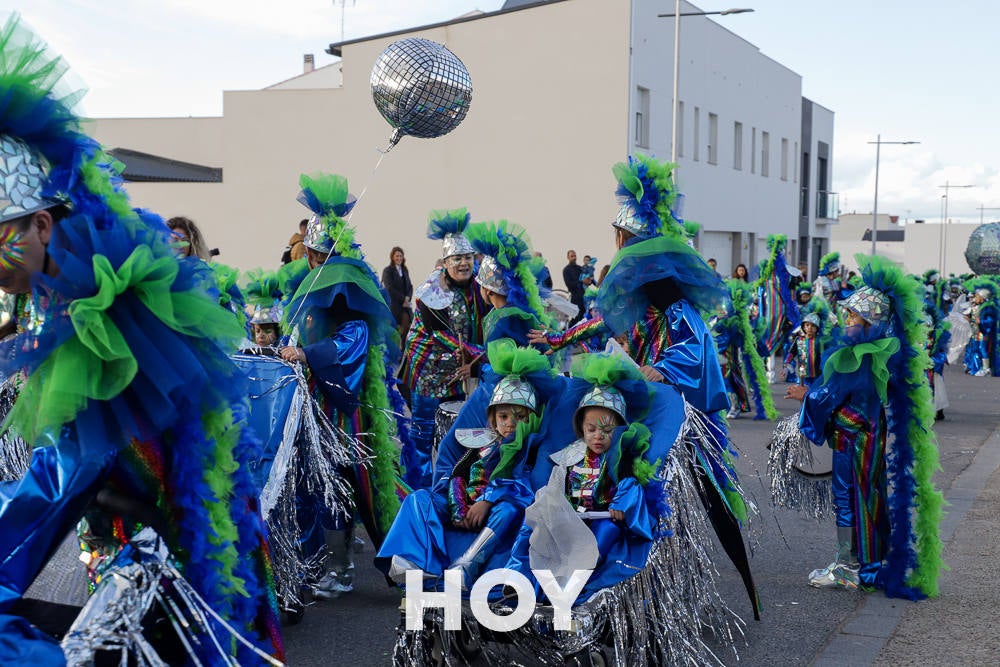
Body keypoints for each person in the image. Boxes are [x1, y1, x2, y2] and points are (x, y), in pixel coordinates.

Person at [0, 16, 282, 662]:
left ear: (43, 224)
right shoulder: (42, 292)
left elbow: (67, 464)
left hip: (174, 539)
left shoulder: (102, 311)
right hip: (125, 533)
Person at [278, 172, 406, 597]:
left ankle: (372, 567)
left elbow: (354, 342)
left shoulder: (346, 292)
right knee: (317, 485)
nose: (313, 261)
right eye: (312, 254)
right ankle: (330, 564)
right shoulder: (309, 295)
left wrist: (308, 355)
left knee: (353, 486)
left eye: (317, 253)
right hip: (310, 410)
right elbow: (293, 339)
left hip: (342, 414)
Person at [785, 255, 943, 598]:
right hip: (868, 433)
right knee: (866, 496)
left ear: (870, 322)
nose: (847, 319)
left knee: (849, 497)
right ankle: (865, 562)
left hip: (853, 436)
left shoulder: (857, 355)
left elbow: (829, 395)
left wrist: (805, 394)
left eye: (853, 315)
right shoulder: (876, 352)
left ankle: (850, 567)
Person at [376, 340, 551, 589]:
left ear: (531, 420)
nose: (510, 424)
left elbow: (523, 486)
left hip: (497, 510)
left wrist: (486, 502)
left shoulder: (528, 448)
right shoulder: (480, 444)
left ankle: (468, 564)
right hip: (464, 503)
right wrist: (459, 506)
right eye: (503, 416)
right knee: (419, 499)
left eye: (519, 417)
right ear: (492, 419)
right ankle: (409, 560)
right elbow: (458, 472)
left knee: (510, 512)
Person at [400, 208, 489, 490]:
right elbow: (441, 336)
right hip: (428, 371)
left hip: (458, 371)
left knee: (456, 430)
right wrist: (483, 354)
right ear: (446, 262)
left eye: (467, 258)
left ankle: (453, 487)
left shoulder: (477, 287)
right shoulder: (431, 289)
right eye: (457, 259)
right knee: (423, 433)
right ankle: (419, 492)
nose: (464, 264)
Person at [381, 246, 413, 344]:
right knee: (394, 331)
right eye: (397, 256)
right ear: (392, 257)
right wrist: (403, 299)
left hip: (405, 307)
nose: (399, 258)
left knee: (406, 327)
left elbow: (410, 286)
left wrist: (408, 298)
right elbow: (389, 288)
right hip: (393, 306)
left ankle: (403, 350)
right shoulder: (388, 271)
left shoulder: (404, 270)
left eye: (401, 256)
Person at [562, 249, 584, 324]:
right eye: (572, 256)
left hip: (583, 296)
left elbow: (585, 280)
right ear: (568, 257)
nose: (574, 258)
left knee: (584, 317)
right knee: (576, 318)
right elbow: (569, 284)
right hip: (574, 297)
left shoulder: (580, 268)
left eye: (575, 256)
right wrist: (581, 282)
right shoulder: (566, 270)